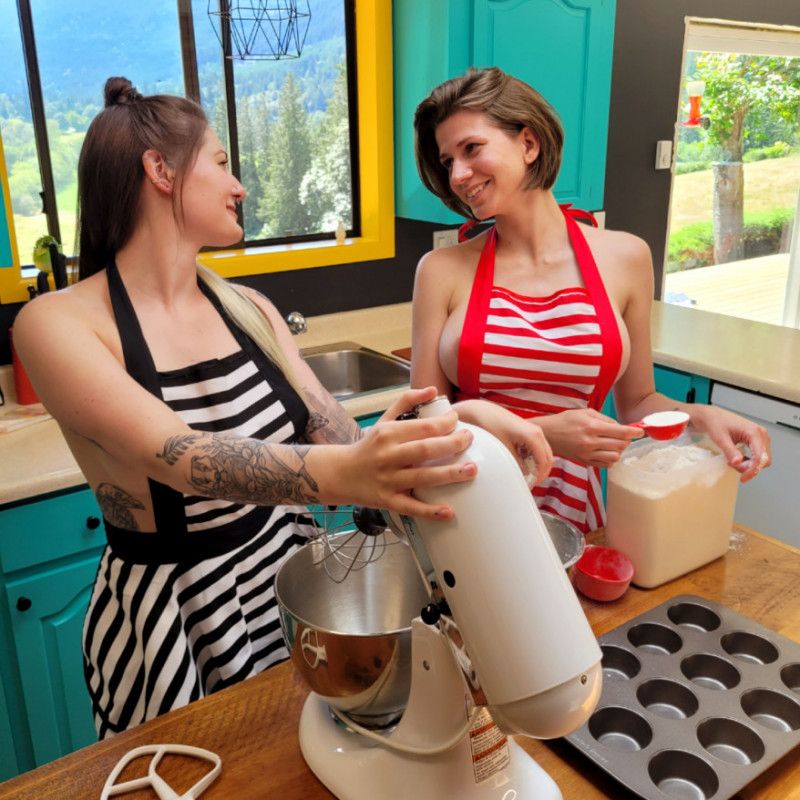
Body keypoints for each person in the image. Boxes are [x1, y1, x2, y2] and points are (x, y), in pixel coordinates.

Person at [12, 77, 553, 738]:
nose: (238, 185)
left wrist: (463, 418)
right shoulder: (56, 324)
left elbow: (344, 437)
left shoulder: (250, 309)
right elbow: (184, 457)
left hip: (286, 590)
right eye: (219, 162)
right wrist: (349, 472)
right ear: (160, 171)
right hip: (180, 615)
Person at [411, 66, 771, 534]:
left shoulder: (626, 258)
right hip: (469, 515)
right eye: (446, 162)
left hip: (575, 517)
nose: (458, 174)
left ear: (528, 143)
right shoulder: (442, 271)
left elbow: (638, 402)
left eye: (471, 149)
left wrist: (700, 416)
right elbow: (423, 428)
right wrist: (545, 434)